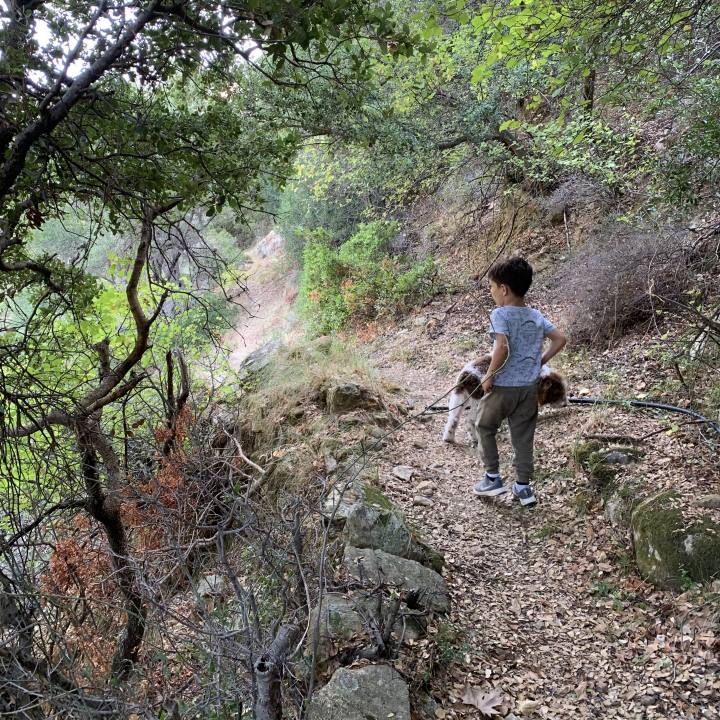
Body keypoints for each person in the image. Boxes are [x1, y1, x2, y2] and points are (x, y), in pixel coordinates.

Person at [473, 257, 566, 506]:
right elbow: (560, 338)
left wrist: (489, 375)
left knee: (484, 425)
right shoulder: (535, 315)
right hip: (528, 389)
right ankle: (523, 488)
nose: (491, 293)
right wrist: (540, 360)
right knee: (523, 438)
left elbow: (501, 347)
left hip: (503, 388)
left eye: (492, 287)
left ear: (504, 289)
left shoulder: (500, 314)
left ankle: (492, 477)